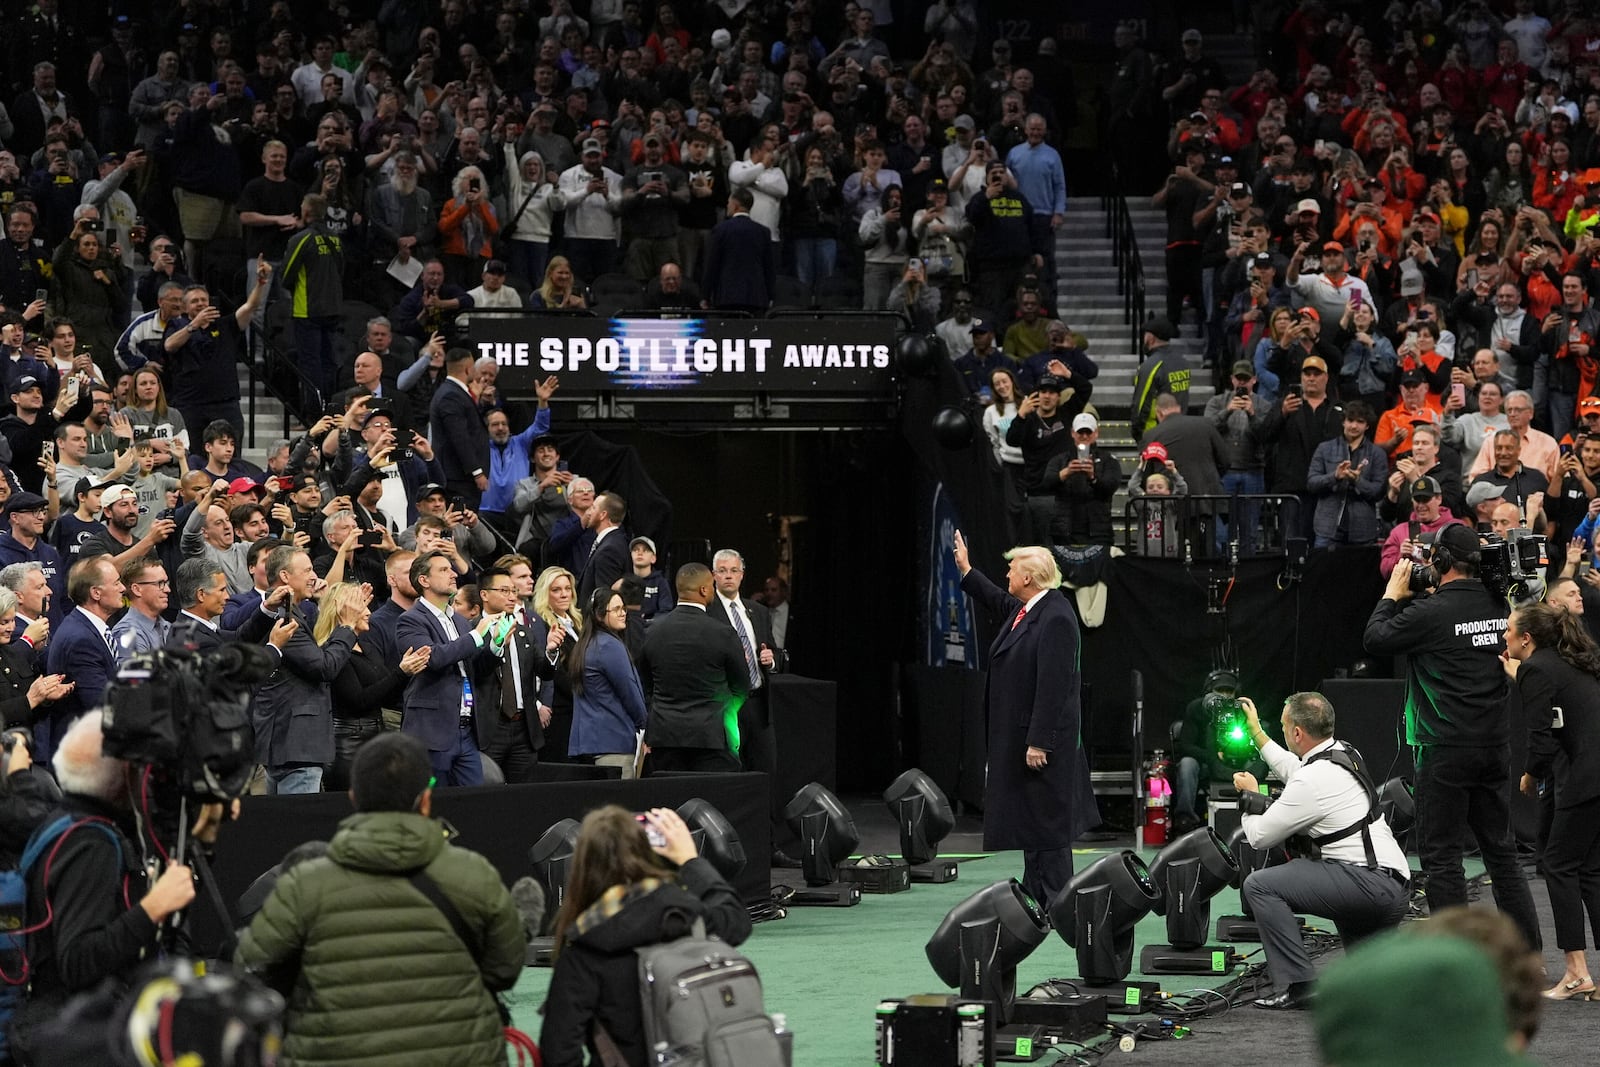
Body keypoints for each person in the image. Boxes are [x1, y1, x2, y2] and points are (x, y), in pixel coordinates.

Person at [236, 732, 524, 1067]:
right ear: (427, 800)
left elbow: (251, 969)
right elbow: (505, 969)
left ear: (354, 797)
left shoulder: (305, 883)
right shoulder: (474, 874)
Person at [1363, 525, 1543, 951]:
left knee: (1442, 858)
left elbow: (1375, 638)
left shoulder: (1430, 613)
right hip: (1494, 747)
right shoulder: (1499, 604)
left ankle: (1454, 962)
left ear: (1441, 562)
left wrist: (1392, 593)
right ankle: (1530, 956)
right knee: (1501, 854)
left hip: (1444, 750)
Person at [16, 711, 203, 1027]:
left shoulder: (63, 822)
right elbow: (78, 962)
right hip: (75, 1035)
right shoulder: (91, 843)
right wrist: (153, 908)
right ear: (124, 775)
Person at [1230, 692, 1411, 1010]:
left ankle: (1299, 986)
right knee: (1371, 988)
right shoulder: (1343, 752)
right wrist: (1257, 733)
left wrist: (1250, 798)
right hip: (1393, 884)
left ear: (1297, 733)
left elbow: (1259, 837)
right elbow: (1295, 769)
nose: (1284, 731)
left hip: (1365, 885)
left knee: (1259, 885)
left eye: (1285, 726)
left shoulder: (1311, 781)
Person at [538, 805, 752, 1066]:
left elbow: (559, 1051)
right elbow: (736, 919)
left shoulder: (584, 947)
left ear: (582, 864)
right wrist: (689, 860)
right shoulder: (687, 914)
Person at [951, 533, 1097, 907]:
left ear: (1029, 577)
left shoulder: (1057, 617)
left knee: (1047, 825)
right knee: (1033, 822)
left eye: (1012, 568)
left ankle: (1059, 902)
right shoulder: (1031, 610)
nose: (1007, 574)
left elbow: (1055, 686)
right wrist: (967, 570)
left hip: (1045, 745)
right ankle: (1037, 895)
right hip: (1025, 738)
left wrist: (1039, 740)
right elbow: (998, 601)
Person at [1504, 601, 1600, 1000]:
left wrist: (1530, 774)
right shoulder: (1567, 662)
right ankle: (1583, 974)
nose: (1503, 636)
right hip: (1594, 775)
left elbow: (1541, 737)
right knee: (1591, 870)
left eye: (1509, 630)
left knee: (1558, 865)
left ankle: (1576, 972)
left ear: (1526, 638)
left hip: (1585, 779)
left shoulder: (1537, 668)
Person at [253, 545, 358, 794]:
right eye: (307, 570)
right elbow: (324, 667)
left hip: (287, 743)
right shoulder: (285, 619)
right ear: (286, 577)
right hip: (296, 745)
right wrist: (346, 627)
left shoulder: (289, 613)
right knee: (297, 828)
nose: (314, 575)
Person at [396, 550, 504, 786]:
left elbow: (473, 666)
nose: (453, 574)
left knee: (474, 804)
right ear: (424, 580)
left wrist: (496, 646)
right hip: (432, 732)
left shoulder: (459, 620)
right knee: (433, 804)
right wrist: (477, 635)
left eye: (451, 568)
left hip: (466, 729)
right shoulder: (410, 620)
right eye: (444, 570)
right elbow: (433, 658)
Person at [638, 563, 750, 772]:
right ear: (704, 590)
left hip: (665, 738)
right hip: (712, 738)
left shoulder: (652, 631)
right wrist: (724, 711)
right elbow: (742, 687)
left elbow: (646, 685)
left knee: (669, 801)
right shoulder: (723, 633)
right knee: (712, 803)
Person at [39, 554, 121, 759]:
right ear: (96, 593)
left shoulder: (86, 628)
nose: (123, 588)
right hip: (83, 757)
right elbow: (101, 704)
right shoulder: (80, 639)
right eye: (117, 583)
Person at [472, 567, 544, 783]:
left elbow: (545, 672)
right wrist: (496, 645)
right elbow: (478, 670)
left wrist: (551, 651)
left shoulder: (524, 632)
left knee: (523, 798)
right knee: (487, 796)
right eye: (504, 590)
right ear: (484, 594)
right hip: (490, 729)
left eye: (514, 591)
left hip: (524, 728)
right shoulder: (471, 630)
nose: (512, 596)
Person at [567, 587, 648, 774]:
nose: (623, 614)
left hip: (587, 744)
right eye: (616, 609)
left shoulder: (585, 644)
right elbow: (630, 692)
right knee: (620, 803)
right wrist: (646, 728)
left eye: (623, 609)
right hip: (614, 744)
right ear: (599, 614)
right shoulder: (609, 645)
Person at [1307, 401, 1388, 549]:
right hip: (1327, 528)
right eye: (1350, 420)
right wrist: (1335, 476)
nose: (1354, 426)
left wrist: (1358, 480)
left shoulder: (1377, 454)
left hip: (1362, 531)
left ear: (1367, 425)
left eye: (1360, 422)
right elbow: (1312, 483)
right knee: (1323, 571)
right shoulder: (1324, 448)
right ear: (1343, 421)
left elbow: (1378, 491)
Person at [429, 348, 490, 510]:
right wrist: (477, 472)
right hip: (458, 478)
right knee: (460, 526)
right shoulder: (451, 395)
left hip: (459, 476)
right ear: (468, 369)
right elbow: (460, 437)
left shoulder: (453, 393)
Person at [703, 187, 774, 311]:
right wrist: (770, 296)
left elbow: (711, 265)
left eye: (729, 203)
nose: (727, 205)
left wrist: (705, 295)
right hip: (756, 297)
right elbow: (769, 268)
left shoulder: (721, 230)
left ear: (735, 205)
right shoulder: (763, 232)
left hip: (727, 296)